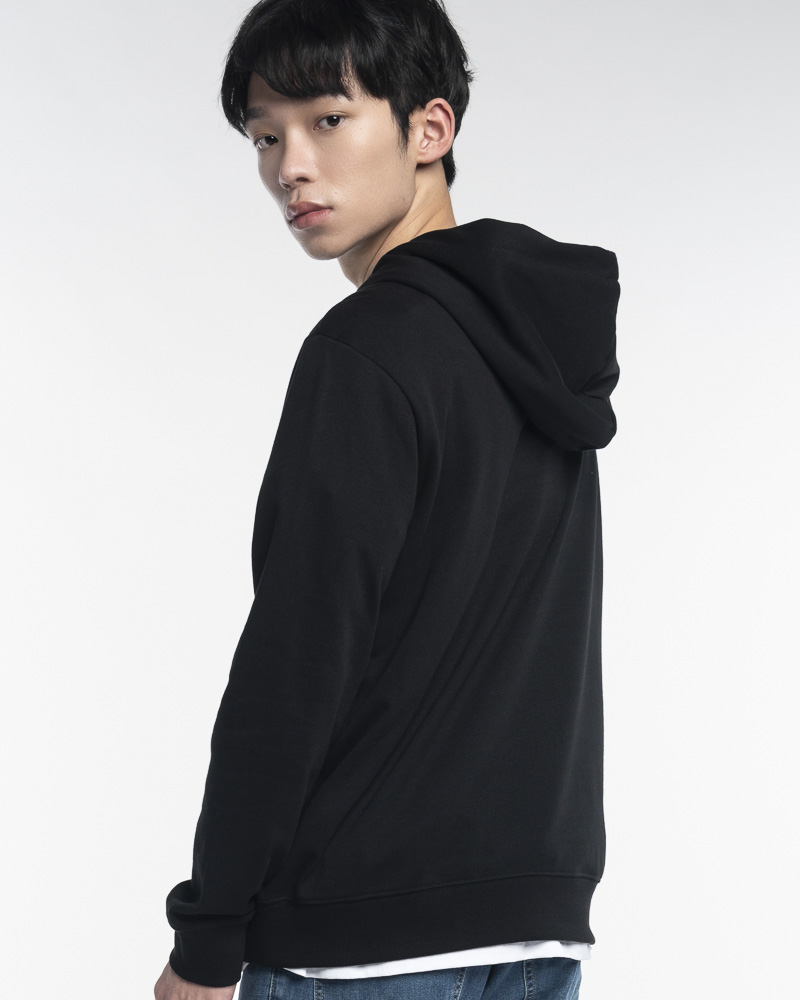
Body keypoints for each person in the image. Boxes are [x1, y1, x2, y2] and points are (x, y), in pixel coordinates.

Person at [154, 1, 620, 998]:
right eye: (265, 136)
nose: (290, 167)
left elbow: (296, 662)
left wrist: (207, 934)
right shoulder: (538, 350)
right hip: (533, 931)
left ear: (428, 128)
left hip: (358, 937)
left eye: (328, 119)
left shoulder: (367, 351)